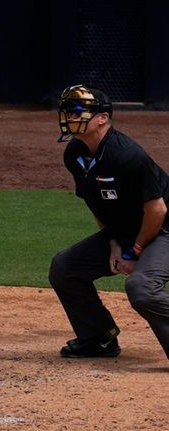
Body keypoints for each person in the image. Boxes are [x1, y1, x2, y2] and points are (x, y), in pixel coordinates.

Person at [49, 84, 169, 360]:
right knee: (65, 267)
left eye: (78, 111)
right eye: (68, 110)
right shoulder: (75, 155)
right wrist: (114, 243)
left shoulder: (127, 155)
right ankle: (98, 338)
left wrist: (134, 251)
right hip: (130, 231)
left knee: (141, 287)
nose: (70, 116)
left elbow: (157, 210)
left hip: (163, 229)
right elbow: (99, 205)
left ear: (102, 118)